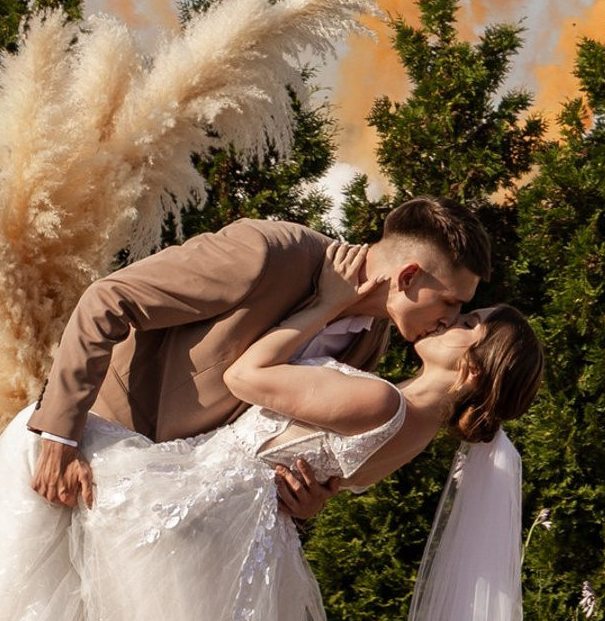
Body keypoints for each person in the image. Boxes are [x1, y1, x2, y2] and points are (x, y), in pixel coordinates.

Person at [0, 241, 543, 621]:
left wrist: (324, 305)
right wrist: (310, 499)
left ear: (474, 367)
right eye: (455, 307)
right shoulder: (415, 428)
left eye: (465, 320)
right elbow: (317, 478)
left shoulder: (379, 398)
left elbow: (244, 377)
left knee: (31, 448)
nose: (449, 320)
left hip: (184, 507)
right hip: (236, 534)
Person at [28, 196, 490, 521]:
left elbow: (281, 439)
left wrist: (310, 499)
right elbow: (108, 299)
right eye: (450, 302)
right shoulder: (268, 253)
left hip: (174, 508)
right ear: (408, 277)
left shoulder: (371, 343)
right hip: (91, 455)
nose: (450, 320)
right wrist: (60, 438)